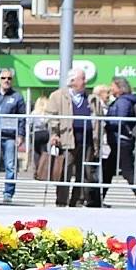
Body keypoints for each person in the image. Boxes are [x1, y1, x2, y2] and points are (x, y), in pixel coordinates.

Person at [45, 68, 94, 207]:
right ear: (72, 81)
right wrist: (55, 133)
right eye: (82, 79)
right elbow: (51, 116)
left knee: (84, 172)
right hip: (67, 140)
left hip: (87, 140)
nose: (85, 82)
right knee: (65, 171)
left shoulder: (90, 98)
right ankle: (61, 201)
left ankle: (77, 200)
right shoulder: (58, 96)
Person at [0, 69, 27, 203]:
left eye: (9, 78)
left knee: (10, 166)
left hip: (10, 136)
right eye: (3, 78)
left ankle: (8, 194)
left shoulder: (17, 97)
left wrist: (21, 135)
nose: (6, 80)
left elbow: (22, 118)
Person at [102, 77, 136, 208]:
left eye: (113, 86)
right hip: (117, 140)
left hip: (120, 140)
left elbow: (120, 119)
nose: (111, 89)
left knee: (127, 171)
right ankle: (97, 198)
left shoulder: (123, 101)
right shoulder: (123, 100)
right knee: (108, 170)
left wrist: (107, 122)